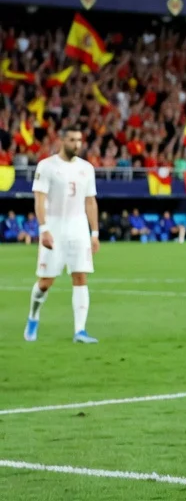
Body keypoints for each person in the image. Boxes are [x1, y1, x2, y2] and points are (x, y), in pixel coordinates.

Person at [24, 127, 101, 343]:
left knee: (80, 276)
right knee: (46, 282)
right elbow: (39, 199)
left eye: (79, 140)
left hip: (79, 228)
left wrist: (94, 232)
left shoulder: (87, 168)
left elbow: (90, 201)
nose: (77, 144)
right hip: (54, 227)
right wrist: (43, 229)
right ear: (62, 140)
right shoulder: (47, 166)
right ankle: (33, 316)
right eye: (72, 140)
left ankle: (80, 331)